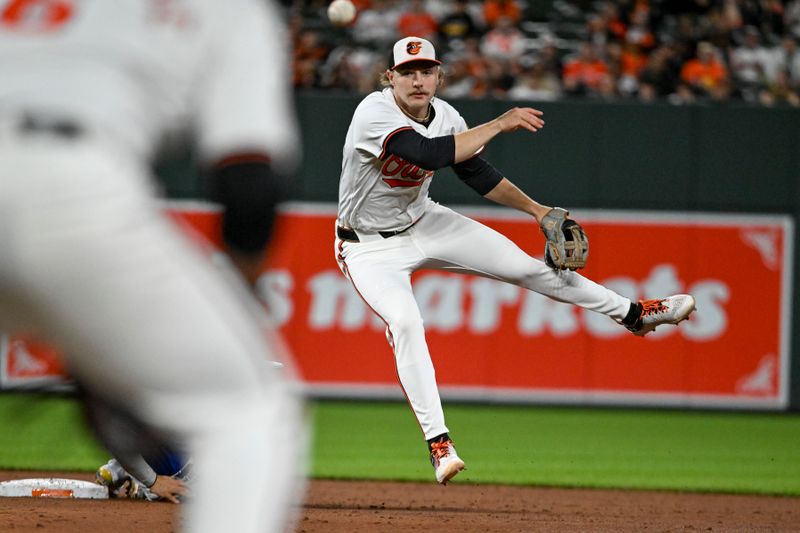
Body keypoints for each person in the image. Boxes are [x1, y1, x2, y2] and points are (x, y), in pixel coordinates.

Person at [334, 36, 696, 485]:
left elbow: (475, 174)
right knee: (405, 323)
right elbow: (428, 154)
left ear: (439, 76)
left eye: (426, 71)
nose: (417, 80)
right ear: (390, 78)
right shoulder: (374, 111)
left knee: (530, 268)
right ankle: (438, 443)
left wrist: (537, 210)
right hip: (367, 246)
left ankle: (634, 313)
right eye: (407, 72)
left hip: (424, 221)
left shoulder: (447, 116)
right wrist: (501, 123)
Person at [0, 1, 304, 532]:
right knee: (245, 408)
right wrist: (240, 299)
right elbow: (250, 188)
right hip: (73, 184)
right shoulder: (232, 13)